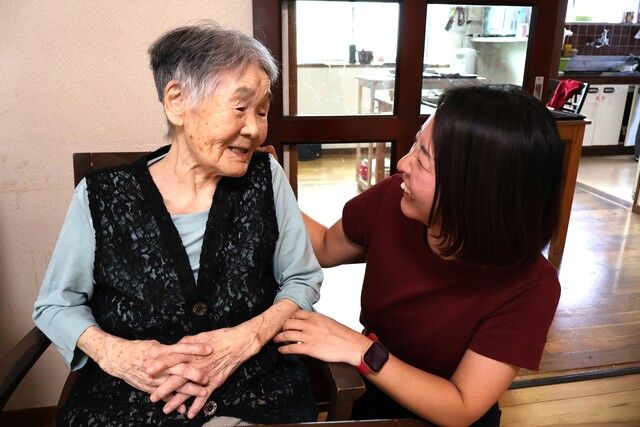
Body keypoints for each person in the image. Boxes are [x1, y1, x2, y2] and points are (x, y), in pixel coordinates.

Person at [33, 22, 322, 426]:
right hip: (131, 398)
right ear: (177, 101)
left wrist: (248, 338)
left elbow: (301, 279)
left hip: (251, 390)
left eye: (262, 112)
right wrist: (118, 354)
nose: (255, 129)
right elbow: (56, 304)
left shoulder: (266, 177)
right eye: (241, 108)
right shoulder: (101, 195)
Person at [275, 86, 563, 426]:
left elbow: (461, 406)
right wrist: (272, 183)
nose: (403, 164)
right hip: (372, 397)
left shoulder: (530, 286)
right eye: (415, 144)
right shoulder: (393, 200)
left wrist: (361, 350)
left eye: (422, 159)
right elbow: (324, 246)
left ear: (475, 190)